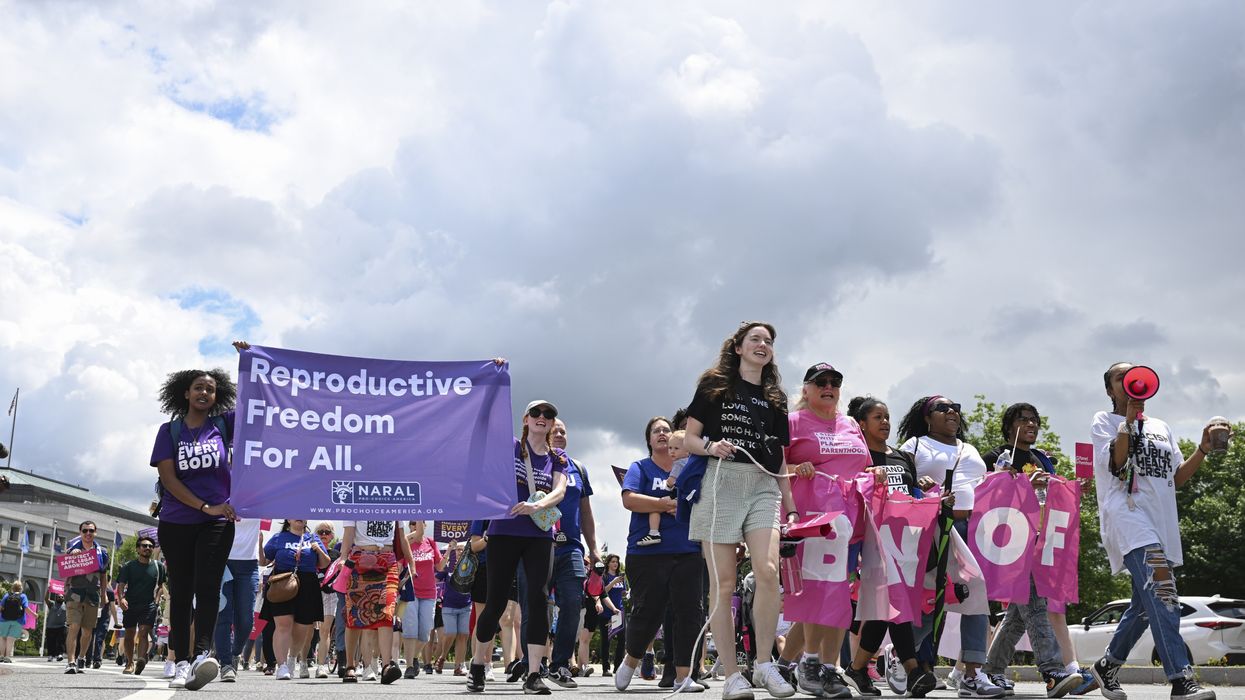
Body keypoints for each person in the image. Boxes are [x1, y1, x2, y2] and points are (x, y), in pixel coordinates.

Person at [1089, 363, 1218, 700]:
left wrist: (1202, 448)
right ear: (1110, 390)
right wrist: (1129, 421)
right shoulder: (1104, 422)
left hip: (1160, 525)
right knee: (1164, 592)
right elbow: (1116, 464)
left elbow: (1176, 478)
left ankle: (1107, 666)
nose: (1130, 382)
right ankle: (1180, 678)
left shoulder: (1161, 426)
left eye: (1135, 377)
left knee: (1146, 607)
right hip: (1128, 518)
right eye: (1121, 378)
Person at [682, 322, 796, 700]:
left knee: (767, 570)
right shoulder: (714, 386)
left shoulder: (776, 397)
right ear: (738, 347)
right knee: (724, 583)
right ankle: (732, 674)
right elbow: (689, 438)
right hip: (721, 482)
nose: (763, 345)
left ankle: (764, 664)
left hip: (763, 484)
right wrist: (711, 446)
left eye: (768, 341)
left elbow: (780, 456)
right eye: (755, 339)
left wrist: (791, 507)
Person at [149, 347, 246, 690]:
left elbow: (257, 401)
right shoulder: (169, 431)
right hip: (177, 521)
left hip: (217, 522)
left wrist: (248, 361)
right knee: (182, 589)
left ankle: (202, 656)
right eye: (198, 388)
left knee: (208, 587)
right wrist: (205, 506)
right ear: (186, 393)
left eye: (211, 389)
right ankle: (180, 660)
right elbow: (170, 480)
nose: (205, 393)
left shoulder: (224, 424)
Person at [897, 396, 1005, 699]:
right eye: (943, 408)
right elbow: (902, 482)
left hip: (974, 527)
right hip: (935, 526)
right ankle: (907, 654)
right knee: (932, 598)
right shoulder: (914, 446)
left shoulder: (968, 449)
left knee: (975, 592)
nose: (952, 412)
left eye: (955, 407)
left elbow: (984, 483)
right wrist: (920, 483)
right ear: (927, 417)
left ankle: (972, 673)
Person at [980, 403, 1086, 698]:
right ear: (1009, 426)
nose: (1031, 424)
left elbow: (1053, 495)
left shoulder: (1042, 458)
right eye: (1023, 419)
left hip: (1043, 540)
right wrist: (1023, 482)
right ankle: (1052, 671)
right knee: (1036, 604)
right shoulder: (996, 457)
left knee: (1017, 613)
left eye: (1034, 420)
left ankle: (990, 670)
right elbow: (985, 494)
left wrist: (1073, 490)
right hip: (1012, 541)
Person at [467, 399, 569, 695]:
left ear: (551, 423)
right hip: (504, 531)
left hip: (538, 535)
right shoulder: (509, 446)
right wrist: (492, 383)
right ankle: (477, 665)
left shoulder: (557, 457)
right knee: (496, 600)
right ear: (525, 419)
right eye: (536, 413)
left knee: (538, 600)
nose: (542, 417)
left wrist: (536, 504)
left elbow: (560, 490)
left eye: (548, 414)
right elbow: (483, 424)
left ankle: (534, 673)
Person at [784, 363, 873, 698]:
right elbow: (772, 470)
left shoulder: (850, 424)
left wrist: (875, 474)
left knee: (839, 594)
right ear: (805, 390)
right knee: (817, 591)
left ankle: (824, 667)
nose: (829, 386)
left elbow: (861, 466)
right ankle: (809, 663)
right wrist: (796, 468)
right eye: (820, 382)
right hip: (812, 520)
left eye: (835, 382)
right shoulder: (793, 423)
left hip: (850, 520)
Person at [842, 396, 939, 697]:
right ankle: (913, 670)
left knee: (888, 607)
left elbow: (909, 495)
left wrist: (920, 489)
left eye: (887, 416)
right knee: (894, 602)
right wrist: (866, 478)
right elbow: (848, 490)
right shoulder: (859, 457)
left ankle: (857, 668)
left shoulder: (901, 456)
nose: (885, 422)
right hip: (873, 541)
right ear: (861, 424)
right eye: (877, 417)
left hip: (905, 542)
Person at [616, 416, 706, 694]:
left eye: (667, 430)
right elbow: (629, 499)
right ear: (649, 439)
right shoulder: (640, 468)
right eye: (656, 431)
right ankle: (631, 659)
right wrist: (662, 503)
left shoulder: (693, 466)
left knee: (690, 612)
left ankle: (683, 676)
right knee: (649, 611)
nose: (663, 434)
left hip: (689, 549)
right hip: (647, 551)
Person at [543, 417, 602, 688]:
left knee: (572, 604)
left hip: (572, 549)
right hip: (539, 546)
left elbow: (587, 513)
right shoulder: (533, 465)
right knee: (535, 606)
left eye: (563, 432)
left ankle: (560, 664)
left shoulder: (578, 468)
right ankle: (533, 663)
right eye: (555, 431)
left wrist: (594, 548)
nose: (559, 435)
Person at [338, 519, 413, 683]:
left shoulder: (394, 505)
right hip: (359, 559)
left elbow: (401, 536)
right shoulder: (355, 501)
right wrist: (343, 558)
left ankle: (386, 666)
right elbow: (348, 533)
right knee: (354, 614)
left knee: (387, 611)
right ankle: (350, 665)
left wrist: (411, 564)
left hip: (388, 561)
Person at [261, 519, 331, 681]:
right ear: (288, 519)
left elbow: (324, 563)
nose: (299, 516)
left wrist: (318, 550)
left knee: (303, 627)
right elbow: (264, 561)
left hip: (308, 583)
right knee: (283, 625)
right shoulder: (278, 538)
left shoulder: (313, 537)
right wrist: (259, 544)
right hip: (283, 582)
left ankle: (292, 657)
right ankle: (282, 665)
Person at [215, 518, 262, 682]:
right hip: (222, 560)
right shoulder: (220, 495)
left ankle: (235, 652)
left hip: (248, 565)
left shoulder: (258, 497)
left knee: (246, 621)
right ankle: (226, 664)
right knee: (223, 616)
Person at [63, 520, 110, 675]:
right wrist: (73, 556)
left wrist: (104, 595)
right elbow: (65, 572)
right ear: (80, 532)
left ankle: (81, 657)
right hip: (75, 593)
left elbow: (104, 576)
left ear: (95, 532)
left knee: (88, 631)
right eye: (85, 531)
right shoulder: (72, 549)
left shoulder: (101, 552)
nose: (88, 533)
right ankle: (70, 661)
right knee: (74, 626)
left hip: (93, 594)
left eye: (91, 531)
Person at [400, 520, 445, 678]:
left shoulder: (430, 543)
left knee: (426, 632)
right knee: (410, 628)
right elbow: (399, 566)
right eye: (411, 523)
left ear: (424, 525)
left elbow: (439, 567)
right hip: (410, 591)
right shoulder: (405, 542)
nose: (414, 525)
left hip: (429, 592)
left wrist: (449, 552)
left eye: (417, 523)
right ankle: (410, 666)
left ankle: (413, 657)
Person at [117, 535, 167, 676]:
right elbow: (121, 585)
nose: (147, 548)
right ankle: (129, 663)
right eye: (144, 546)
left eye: (150, 546)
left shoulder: (159, 567)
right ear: (138, 549)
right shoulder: (128, 566)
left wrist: (157, 599)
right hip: (130, 604)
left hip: (149, 605)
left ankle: (140, 660)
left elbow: (161, 586)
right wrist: (121, 599)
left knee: (144, 632)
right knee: (129, 635)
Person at [439, 540, 473, 675]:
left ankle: (458, 666)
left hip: (466, 605)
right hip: (449, 606)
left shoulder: (471, 565)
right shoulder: (448, 566)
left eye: (462, 549)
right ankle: (442, 656)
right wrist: (448, 550)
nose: (459, 551)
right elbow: (438, 572)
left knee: (463, 636)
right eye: (457, 549)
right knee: (451, 633)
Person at [312, 521, 340, 678]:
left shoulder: (336, 555)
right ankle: (301, 661)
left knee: (324, 630)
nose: (324, 535)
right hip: (311, 594)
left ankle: (321, 666)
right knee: (307, 632)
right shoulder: (310, 552)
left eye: (327, 532)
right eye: (320, 532)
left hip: (330, 595)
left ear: (332, 536)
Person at [0, 581, 28, 662]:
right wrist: (34, 614)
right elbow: (25, 608)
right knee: (11, 638)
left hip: (4, 619)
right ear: (21, 588)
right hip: (17, 620)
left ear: (12, 587)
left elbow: (1, 607)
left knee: (2, 637)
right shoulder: (23, 596)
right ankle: (7, 657)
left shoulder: (7, 595)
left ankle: (1, 656)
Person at [45, 593, 67, 661]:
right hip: (51, 626)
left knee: (60, 642)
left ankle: (59, 654)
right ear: (56, 598)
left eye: (62, 597)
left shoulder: (66, 605)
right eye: (59, 597)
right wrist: (48, 590)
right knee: (51, 642)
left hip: (61, 626)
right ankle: (50, 655)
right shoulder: (52, 604)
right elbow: (46, 599)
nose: (60, 598)